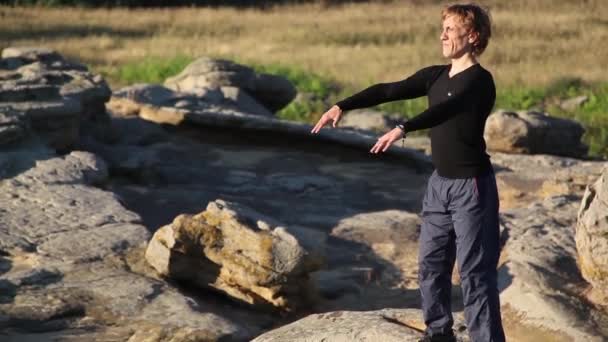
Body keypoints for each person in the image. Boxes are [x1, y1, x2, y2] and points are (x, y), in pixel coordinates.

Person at [310, 3, 505, 342]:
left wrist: (404, 127)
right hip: (439, 184)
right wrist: (344, 104)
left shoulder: (479, 82)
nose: (442, 34)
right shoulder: (435, 75)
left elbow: (448, 109)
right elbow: (389, 90)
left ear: (473, 36)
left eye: (451, 28)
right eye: (442, 27)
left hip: (471, 187)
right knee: (430, 265)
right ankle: (439, 332)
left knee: (475, 273)